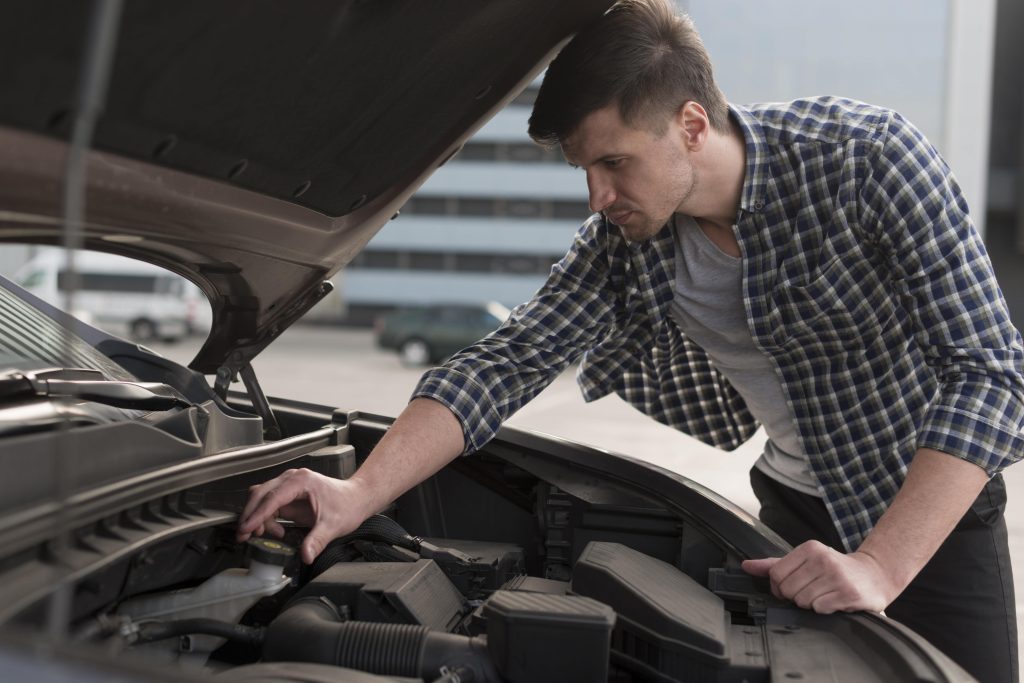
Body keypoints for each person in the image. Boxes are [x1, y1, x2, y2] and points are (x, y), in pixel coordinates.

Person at [238, 1, 1022, 679]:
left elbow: (989, 371)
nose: (598, 195)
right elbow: (506, 361)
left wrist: (882, 564)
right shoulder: (627, 241)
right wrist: (357, 491)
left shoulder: (868, 158)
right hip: (791, 514)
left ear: (689, 125)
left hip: (931, 511)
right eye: (585, 169)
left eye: (614, 161)